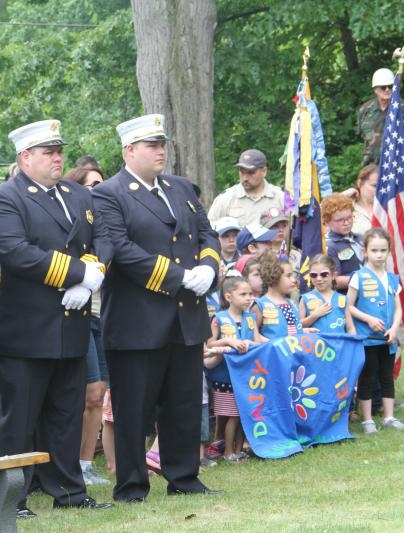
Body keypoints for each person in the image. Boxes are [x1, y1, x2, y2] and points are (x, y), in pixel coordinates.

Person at [0, 119, 113, 517]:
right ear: (25, 157)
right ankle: (13, 498)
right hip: (24, 328)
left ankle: (69, 490)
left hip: (69, 325)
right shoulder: (3, 198)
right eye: (47, 152)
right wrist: (78, 274)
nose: (57, 158)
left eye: (59, 151)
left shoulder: (77, 194)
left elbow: (105, 236)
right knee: (17, 420)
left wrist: (94, 273)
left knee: (65, 413)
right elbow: (16, 252)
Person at [92, 113, 222, 502]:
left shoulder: (180, 187)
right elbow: (121, 249)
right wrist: (180, 275)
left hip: (185, 317)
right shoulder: (108, 193)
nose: (161, 151)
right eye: (152, 145)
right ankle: (132, 484)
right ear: (130, 150)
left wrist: (209, 265)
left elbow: (206, 232)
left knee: (182, 403)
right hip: (138, 320)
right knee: (133, 408)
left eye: (162, 144)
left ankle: (184, 476)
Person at [64, 164, 109, 485]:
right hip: (79, 315)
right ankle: (70, 464)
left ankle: (85, 464)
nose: (98, 190)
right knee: (89, 393)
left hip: (107, 316)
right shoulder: (74, 221)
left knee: (99, 394)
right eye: (92, 184)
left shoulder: (107, 221)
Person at [346, 228, 404, 433]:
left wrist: (394, 328)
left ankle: (389, 417)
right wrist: (368, 319)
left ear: (389, 251)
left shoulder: (392, 279)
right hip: (367, 338)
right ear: (365, 252)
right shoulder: (358, 277)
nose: (379, 255)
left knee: (387, 376)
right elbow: (350, 306)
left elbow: (399, 308)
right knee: (368, 377)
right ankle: (367, 420)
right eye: (374, 250)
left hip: (388, 339)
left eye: (383, 250)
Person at [206, 277, 265, 462]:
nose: (249, 298)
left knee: (243, 414)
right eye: (243, 294)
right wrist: (228, 341)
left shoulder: (251, 317)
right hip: (225, 376)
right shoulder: (219, 318)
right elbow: (210, 343)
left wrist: (278, 343)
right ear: (229, 296)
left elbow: (257, 338)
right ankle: (227, 452)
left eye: (250, 294)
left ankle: (238, 450)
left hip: (246, 375)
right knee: (232, 415)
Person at [357, 68, 404, 167]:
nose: (387, 90)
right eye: (383, 87)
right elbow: (362, 134)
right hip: (371, 164)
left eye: (390, 86)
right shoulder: (365, 110)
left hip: (399, 164)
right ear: (375, 89)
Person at [208, 149, 284, 226]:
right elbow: (210, 230)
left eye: (251, 172)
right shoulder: (226, 199)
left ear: (264, 171)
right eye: (242, 172)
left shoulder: (281, 197)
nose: (245, 178)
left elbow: (292, 230)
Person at [253, 253, 302, 339]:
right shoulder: (260, 305)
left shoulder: (292, 303)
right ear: (274, 276)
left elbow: (291, 329)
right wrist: (270, 343)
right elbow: (252, 334)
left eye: (293, 276)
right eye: (288, 276)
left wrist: (304, 331)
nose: (293, 280)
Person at [321, 193, 363, 292]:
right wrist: (364, 280)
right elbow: (332, 280)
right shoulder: (329, 246)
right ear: (327, 222)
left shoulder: (360, 239)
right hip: (346, 298)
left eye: (349, 218)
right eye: (340, 220)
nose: (346, 223)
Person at [299, 254, 349, 333]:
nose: (319, 279)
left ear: (333, 275)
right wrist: (314, 316)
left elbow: (351, 328)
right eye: (314, 275)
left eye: (324, 274)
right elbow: (298, 326)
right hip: (317, 344)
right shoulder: (305, 298)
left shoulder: (343, 298)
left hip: (339, 344)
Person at [344, 164, 378, 235]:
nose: (379, 190)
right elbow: (319, 213)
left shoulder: (387, 208)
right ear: (360, 183)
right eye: (374, 186)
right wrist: (342, 196)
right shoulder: (347, 207)